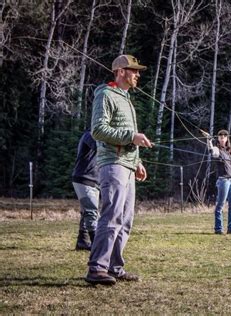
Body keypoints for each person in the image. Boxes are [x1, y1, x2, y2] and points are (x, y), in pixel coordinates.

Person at [85, 54, 153, 286]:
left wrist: (137, 162)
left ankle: (114, 268)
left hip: (127, 165)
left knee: (125, 219)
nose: (137, 74)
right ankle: (97, 268)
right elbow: (98, 130)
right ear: (121, 72)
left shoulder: (125, 98)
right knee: (111, 216)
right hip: (112, 165)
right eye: (133, 70)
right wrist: (131, 137)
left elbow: (128, 137)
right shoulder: (105, 94)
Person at [202, 129, 231, 235]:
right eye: (220, 136)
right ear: (218, 139)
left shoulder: (230, 151)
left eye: (224, 136)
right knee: (220, 205)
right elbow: (212, 152)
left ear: (227, 138)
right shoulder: (217, 149)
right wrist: (209, 140)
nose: (222, 138)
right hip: (223, 180)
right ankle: (218, 229)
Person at [72, 130, 99, 251]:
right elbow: (100, 146)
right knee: (91, 212)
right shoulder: (90, 135)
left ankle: (82, 242)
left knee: (86, 212)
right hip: (83, 178)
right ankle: (97, 245)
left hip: (94, 180)